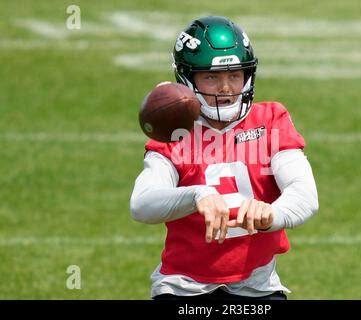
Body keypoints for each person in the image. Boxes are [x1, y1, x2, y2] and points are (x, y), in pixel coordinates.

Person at [130, 15, 319, 300]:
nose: (227, 88)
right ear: (187, 78)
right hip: (183, 287)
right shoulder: (176, 131)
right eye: (211, 77)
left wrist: (271, 214)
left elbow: (305, 195)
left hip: (257, 286)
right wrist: (196, 195)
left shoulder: (270, 120)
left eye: (234, 74)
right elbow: (142, 205)